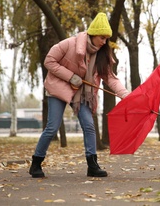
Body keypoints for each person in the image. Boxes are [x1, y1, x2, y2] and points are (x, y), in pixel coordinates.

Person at [29, 12, 129, 178]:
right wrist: (71, 77)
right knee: (52, 127)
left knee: (89, 126)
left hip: (82, 93)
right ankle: (36, 163)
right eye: (102, 38)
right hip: (59, 88)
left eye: (106, 39)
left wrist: (125, 95)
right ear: (92, 33)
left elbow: (110, 78)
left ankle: (92, 165)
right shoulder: (69, 44)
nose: (104, 42)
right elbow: (49, 61)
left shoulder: (103, 54)